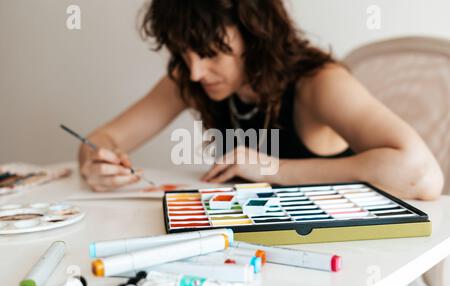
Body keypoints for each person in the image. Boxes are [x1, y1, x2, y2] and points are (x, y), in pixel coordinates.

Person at [78, 0, 443, 200]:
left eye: (210, 53)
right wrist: (97, 161)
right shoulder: (191, 77)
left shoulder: (319, 83)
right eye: (184, 54)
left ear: (254, 34)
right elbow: (102, 139)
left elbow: (422, 176)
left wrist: (274, 169)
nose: (194, 73)